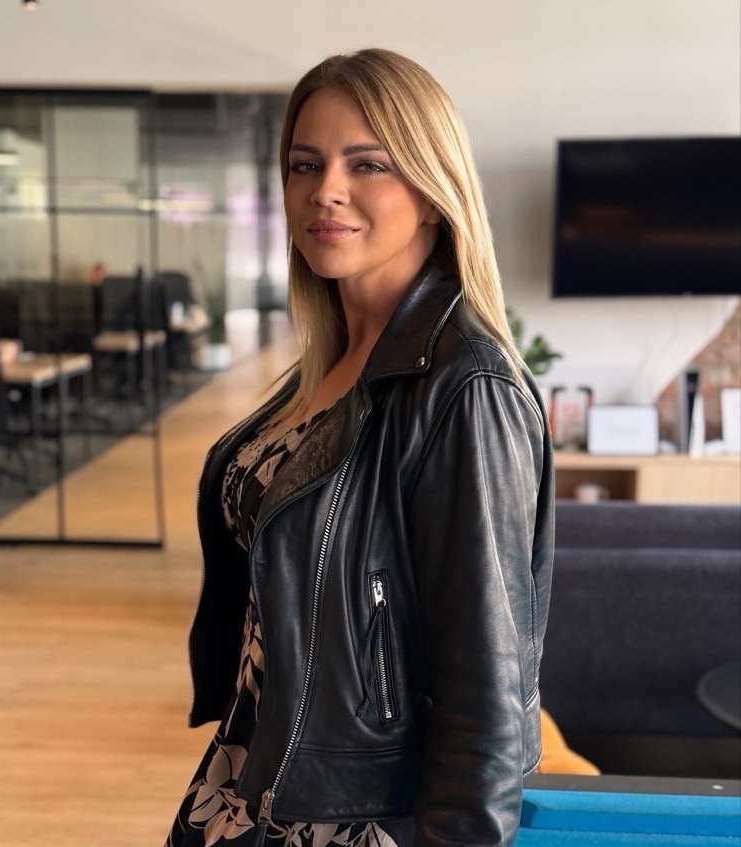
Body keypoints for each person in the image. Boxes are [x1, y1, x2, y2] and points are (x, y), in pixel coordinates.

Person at [165, 47, 555, 847]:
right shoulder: (332, 363)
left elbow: (487, 696)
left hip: (356, 818)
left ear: (434, 191)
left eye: (368, 163)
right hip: (256, 775)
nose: (326, 190)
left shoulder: (465, 388)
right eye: (305, 164)